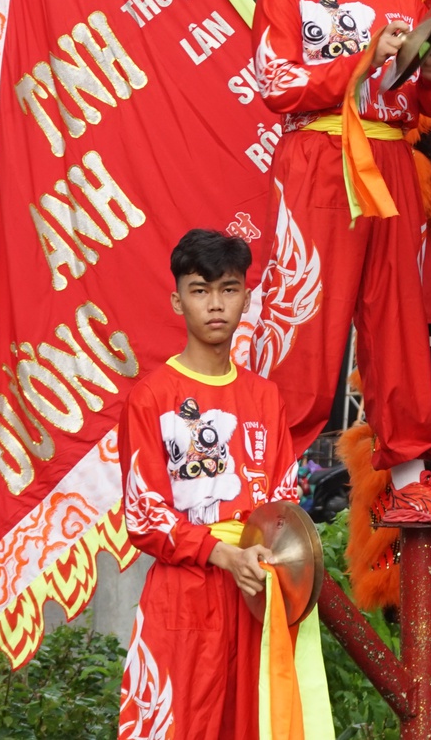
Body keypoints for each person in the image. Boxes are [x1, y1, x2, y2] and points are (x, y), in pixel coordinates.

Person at [249, 0, 431, 527]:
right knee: (306, 312)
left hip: (391, 159)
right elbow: (277, 84)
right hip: (318, 157)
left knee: (397, 315)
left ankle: (410, 473)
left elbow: (423, 104)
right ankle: (271, 475)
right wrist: (360, 59)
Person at [118, 229, 302, 740]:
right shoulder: (151, 398)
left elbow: (284, 504)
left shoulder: (265, 398)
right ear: (178, 299)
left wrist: (265, 559)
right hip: (184, 596)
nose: (215, 304)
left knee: (255, 727)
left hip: (256, 594)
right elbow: (145, 515)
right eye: (200, 290)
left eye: (229, 289)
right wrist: (222, 555)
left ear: (246, 296)